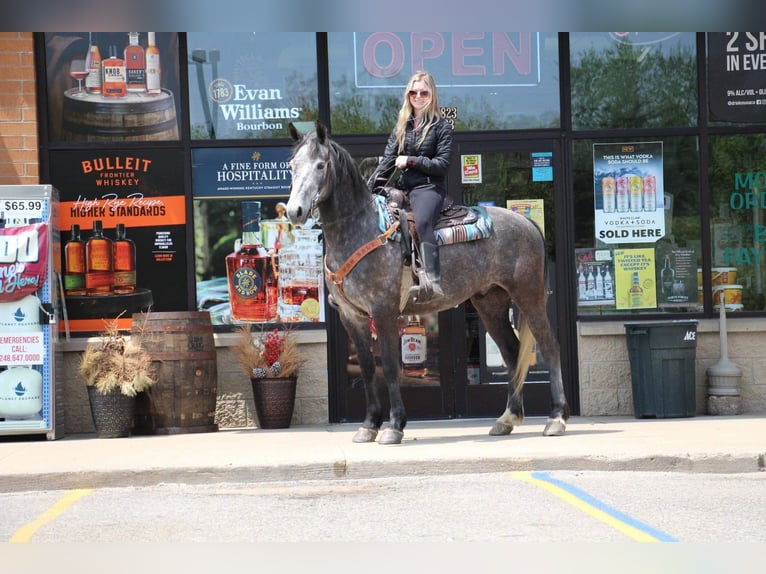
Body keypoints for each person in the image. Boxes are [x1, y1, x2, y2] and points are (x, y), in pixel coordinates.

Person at [368, 71, 453, 300]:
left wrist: (411, 160)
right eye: (413, 92)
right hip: (403, 187)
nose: (418, 96)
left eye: (423, 92)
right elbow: (387, 162)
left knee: (423, 220)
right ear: (408, 95)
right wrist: (368, 187)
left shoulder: (441, 126)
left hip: (428, 188)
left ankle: (433, 281)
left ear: (431, 95)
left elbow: (442, 164)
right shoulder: (401, 127)